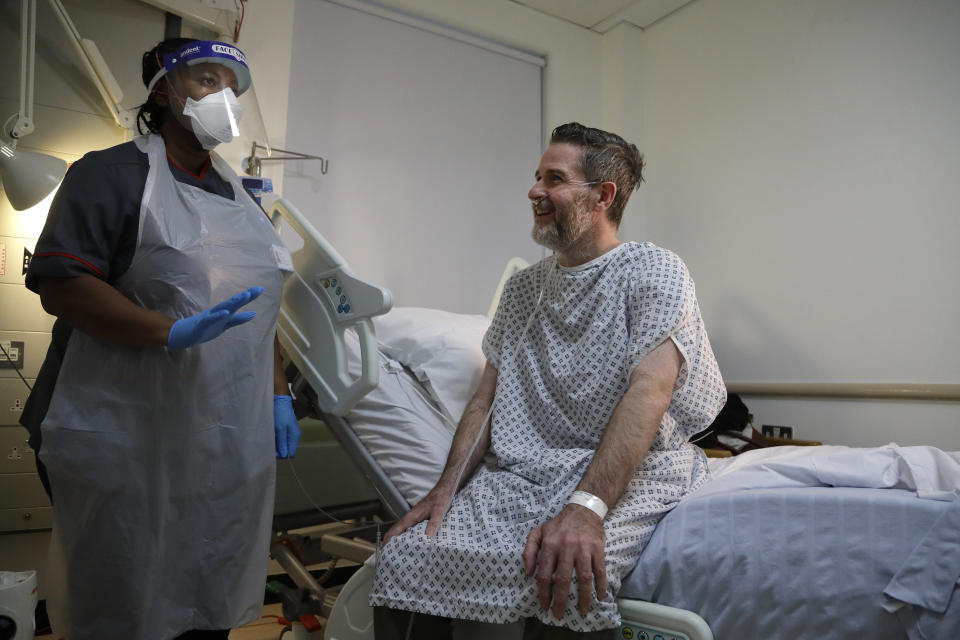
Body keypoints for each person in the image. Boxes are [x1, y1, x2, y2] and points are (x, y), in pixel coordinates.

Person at [370, 123, 726, 638]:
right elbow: (485, 401)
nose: (534, 191)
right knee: (405, 556)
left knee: (567, 575)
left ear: (602, 196)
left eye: (553, 179)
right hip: (525, 476)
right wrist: (445, 488)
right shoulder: (523, 290)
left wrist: (586, 509)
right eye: (537, 177)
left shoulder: (654, 269)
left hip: (631, 470)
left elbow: (651, 391)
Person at [19, 38, 301, 640]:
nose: (221, 97)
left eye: (230, 86)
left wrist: (279, 393)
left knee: (206, 584)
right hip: (120, 428)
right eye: (204, 80)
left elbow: (260, 313)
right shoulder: (110, 174)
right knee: (126, 592)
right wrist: (168, 331)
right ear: (163, 91)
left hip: (214, 436)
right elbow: (62, 285)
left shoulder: (246, 201)